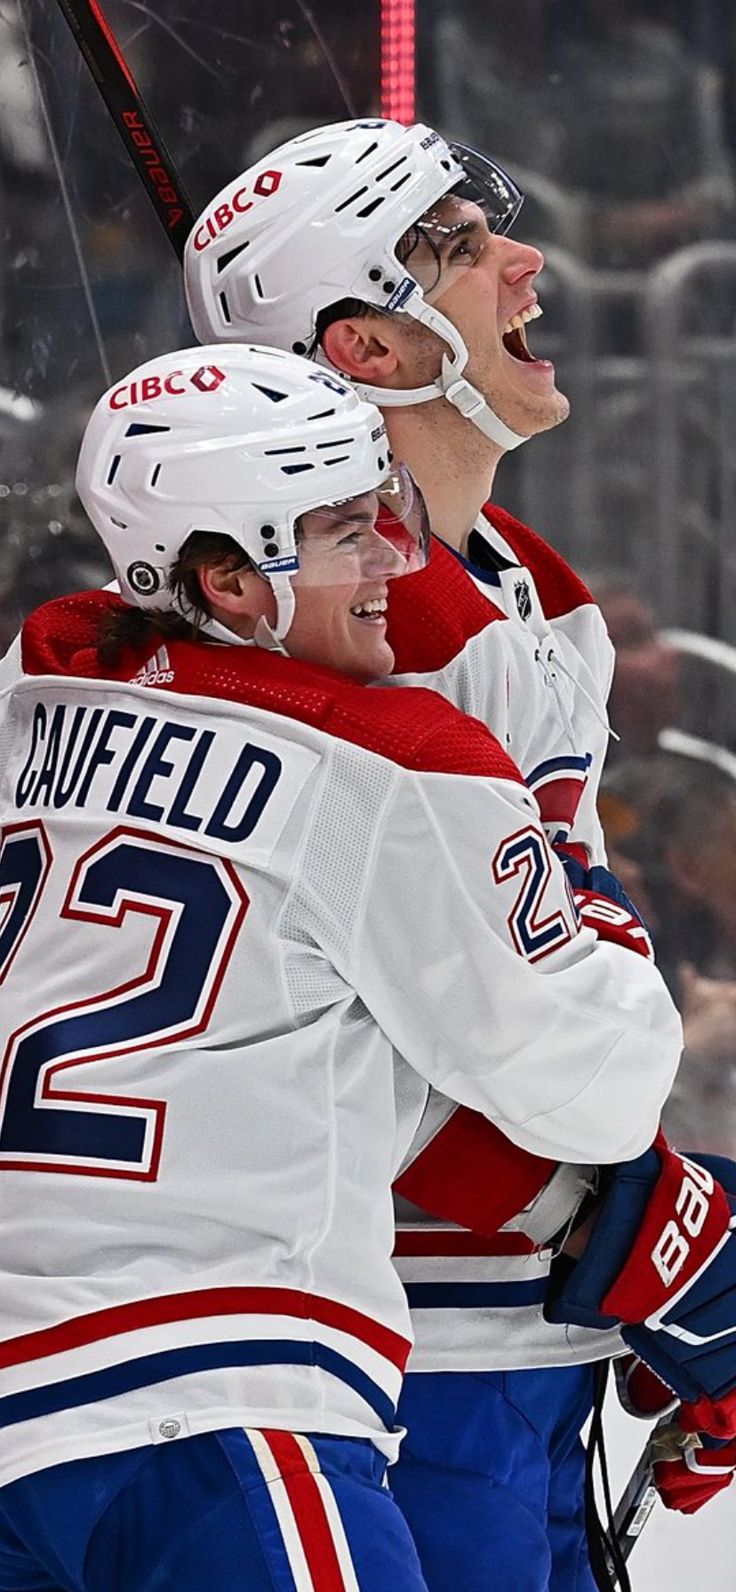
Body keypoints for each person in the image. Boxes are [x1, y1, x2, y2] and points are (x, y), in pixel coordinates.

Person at [0, 343, 689, 1592]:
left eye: (386, 510)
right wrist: (574, 880)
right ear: (224, 575)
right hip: (214, 1399)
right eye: (339, 530)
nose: (392, 560)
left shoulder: (33, 684)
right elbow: (599, 1085)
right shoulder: (395, 764)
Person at [180, 117, 731, 1586]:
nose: (525, 263)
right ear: (367, 347)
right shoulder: (321, 631)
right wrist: (632, 1227)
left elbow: (524, 957)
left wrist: (639, 1231)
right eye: (460, 249)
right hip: (373, 1356)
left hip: (511, 1329)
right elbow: (302, 1010)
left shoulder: (521, 589)